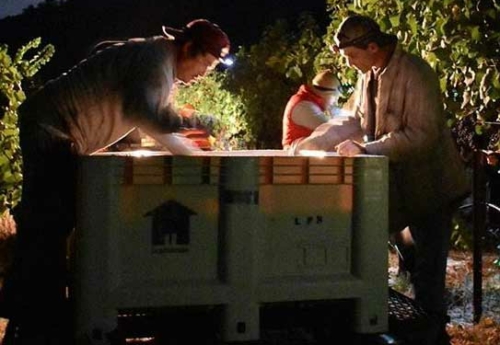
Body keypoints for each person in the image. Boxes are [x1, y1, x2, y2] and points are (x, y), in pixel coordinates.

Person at [1, 18, 231, 345]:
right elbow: (145, 112)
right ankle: (36, 322)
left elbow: (151, 122)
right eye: (205, 64)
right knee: (51, 223)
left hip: (57, 129)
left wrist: (188, 152)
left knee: (53, 223)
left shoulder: (161, 63)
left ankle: (32, 317)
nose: (205, 73)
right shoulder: (155, 61)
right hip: (53, 129)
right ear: (189, 48)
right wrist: (195, 124)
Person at [312, 14, 469, 345]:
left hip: (432, 188)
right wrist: (314, 141)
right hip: (400, 190)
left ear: (372, 46)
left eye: (353, 56)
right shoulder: (368, 74)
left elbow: (422, 135)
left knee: (428, 270)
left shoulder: (414, 73)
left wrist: (366, 148)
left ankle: (435, 334)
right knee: (412, 264)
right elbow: (352, 118)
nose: (351, 64)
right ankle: (421, 330)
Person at [282, 69, 343, 151]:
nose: (335, 102)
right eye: (335, 97)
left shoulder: (308, 102)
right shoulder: (304, 106)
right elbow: (333, 129)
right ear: (324, 94)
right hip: (297, 159)